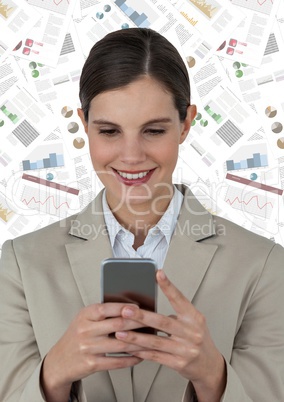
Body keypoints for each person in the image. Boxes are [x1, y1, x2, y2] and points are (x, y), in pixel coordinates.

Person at [0, 27, 284, 402]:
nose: (131, 156)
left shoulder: (264, 265)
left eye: (153, 130)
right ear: (84, 124)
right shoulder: (20, 264)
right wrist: (53, 373)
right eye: (109, 131)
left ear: (185, 124)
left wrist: (213, 376)